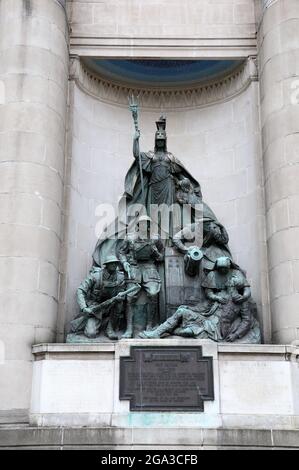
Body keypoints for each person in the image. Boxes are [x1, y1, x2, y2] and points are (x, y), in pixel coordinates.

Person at [139, 257, 261, 344]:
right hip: (206, 321)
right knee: (182, 311)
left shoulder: (241, 302)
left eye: (232, 284)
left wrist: (235, 335)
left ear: (236, 286)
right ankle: (157, 333)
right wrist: (189, 308)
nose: (229, 284)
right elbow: (204, 308)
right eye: (229, 284)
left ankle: (170, 331)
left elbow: (247, 321)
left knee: (187, 332)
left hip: (217, 331)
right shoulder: (220, 295)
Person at [118, 216, 164, 338]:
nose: (144, 226)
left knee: (153, 293)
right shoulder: (130, 238)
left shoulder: (155, 239)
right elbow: (121, 252)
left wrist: (155, 252)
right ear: (138, 226)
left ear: (149, 226)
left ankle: (150, 325)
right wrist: (125, 263)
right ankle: (129, 329)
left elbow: (161, 257)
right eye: (141, 224)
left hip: (149, 268)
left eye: (146, 224)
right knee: (129, 297)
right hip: (134, 267)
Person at [71, 256, 126, 340]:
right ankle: (103, 322)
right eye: (111, 263)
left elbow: (122, 291)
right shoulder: (95, 276)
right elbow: (80, 290)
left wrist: (120, 296)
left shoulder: (120, 277)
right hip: (96, 307)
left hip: (111, 307)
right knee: (90, 333)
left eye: (116, 263)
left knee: (119, 303)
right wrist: (84, 307)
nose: (114, 265)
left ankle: (110, 328)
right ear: (106, 265)